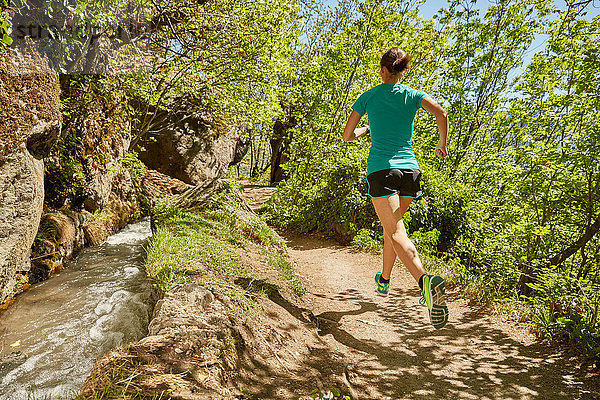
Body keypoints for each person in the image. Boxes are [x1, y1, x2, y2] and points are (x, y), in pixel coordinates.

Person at [342, 47, 449, 329]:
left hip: (382, 170)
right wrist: (442, 144)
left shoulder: (368, 97)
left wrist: (365, 130)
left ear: (382, 70)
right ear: (404, 71)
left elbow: (347, 136)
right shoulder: (413, 95)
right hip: (410, 172)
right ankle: (385, 280)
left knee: (396, 231)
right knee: (394, 228)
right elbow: (441, 113)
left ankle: (425, 281)